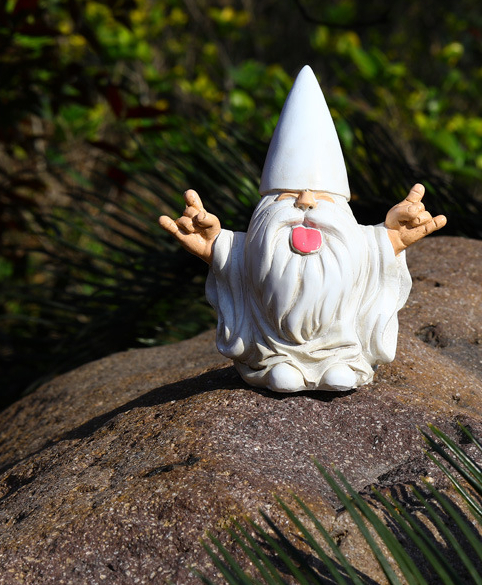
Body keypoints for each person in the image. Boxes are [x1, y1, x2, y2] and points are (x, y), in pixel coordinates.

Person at [159, 66, 446, 391]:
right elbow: (239, 259)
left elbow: (369, 255)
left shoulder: (355, 243)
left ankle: (341, 361)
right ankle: (277, 362)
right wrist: (215, 247)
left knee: (339, 372)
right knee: (282, 375)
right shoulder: (256, 246)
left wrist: (390, 239)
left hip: (343, 345)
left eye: (322, 197)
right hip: (271, 344)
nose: (306, 202)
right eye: (288, 196)